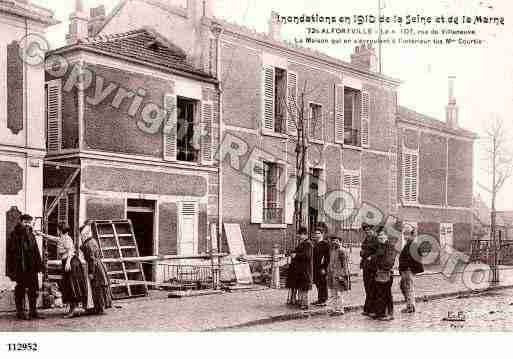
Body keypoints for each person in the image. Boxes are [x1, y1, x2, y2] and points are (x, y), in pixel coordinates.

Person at [6, 214, 45, 320]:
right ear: (21, 222)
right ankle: (20, 312)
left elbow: (36, 250)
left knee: (33, 290)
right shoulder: (14, 235)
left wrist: (39, 266)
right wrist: (12, 270)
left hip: (31, 267)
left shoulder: (31, 234)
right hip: (21, 268)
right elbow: (11, 253)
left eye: (29, 222)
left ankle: (33, 311)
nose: (27, 225)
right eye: (25, 222)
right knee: (20, 290)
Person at [80, 221, 112, 315]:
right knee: (100, 287)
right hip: (99, 266)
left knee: (97, 288)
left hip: (95, 268)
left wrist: (91, 272)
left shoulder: (87, 244)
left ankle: (99, 308)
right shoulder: (93, 241)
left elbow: (91, 259)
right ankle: (99, 307)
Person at [56, 223, 87, 318]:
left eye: (58, 229)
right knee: (69, 285)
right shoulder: (63, 237)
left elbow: (70, 251)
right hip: (69, 262)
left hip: (71, 263)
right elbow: (55, 239)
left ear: (60, 230)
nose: (57, 231)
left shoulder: (66, 238)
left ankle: (73, 310)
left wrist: (68, 262)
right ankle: (72, 309)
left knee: (71, 285)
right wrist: (43, 235)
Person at [372, 226, 399, 321]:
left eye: (382, 235)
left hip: (386, 273)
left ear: (386, 236)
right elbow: (374, 258)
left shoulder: (390, 246)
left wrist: (380, 265)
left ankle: (389, 314)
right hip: (378, 273)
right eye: (379, 235)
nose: (380, 237)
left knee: (387, 293)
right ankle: (380, 312)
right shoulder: (379, 246)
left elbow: (389, 261)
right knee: (379, 293)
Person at [399, 225, 424, 313]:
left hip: (407, 270)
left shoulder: (413, 244)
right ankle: (410, 305)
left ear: (412, 235)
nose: (405, 236)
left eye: (407, 234)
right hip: (405, 270)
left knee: (407, 287)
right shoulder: (408, 244)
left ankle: (410, 307)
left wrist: (409, 267)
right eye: (404, 234)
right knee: (404, 286)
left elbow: (417, 257)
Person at [327, 236, 351, 316]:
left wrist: (343, 275)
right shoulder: (332, 250)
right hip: (332, 274)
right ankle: (334, 309)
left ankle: (340, 309)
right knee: (333, 293)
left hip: (338, 275)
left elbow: (345, 265)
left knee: (339, 293)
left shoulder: (342, 251)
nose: (335, 242)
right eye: (334, 241)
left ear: (340, 242)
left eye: (337, 241)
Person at [360, 223, 378, 317]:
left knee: (372, 288)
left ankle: (373, 309)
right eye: (366, 230)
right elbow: (362, 250)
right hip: (365, 266)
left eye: (369, 230)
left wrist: (371, 257)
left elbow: (379, 252)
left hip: (373, 267)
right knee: (367, 288)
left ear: (372, 230)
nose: (367, 232)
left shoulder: (376, 239)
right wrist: (363, 253)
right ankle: (368, 308)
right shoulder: (366, 239)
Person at [293, 227, 313, 310]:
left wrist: (296, 255)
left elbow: (307, 256)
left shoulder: (308, 244)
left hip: (305, 269)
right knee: (301, 286)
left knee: (304, 287)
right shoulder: (302, 243)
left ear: (305, 235)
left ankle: (305, 304)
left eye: (300, 235)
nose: (299, 236)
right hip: (301, 269)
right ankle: (301, 302)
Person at [312, 224, 330, 306]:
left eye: (318, 233)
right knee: (317, 283)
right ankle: (320, 299)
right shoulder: (315, 244)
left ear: (322, 234)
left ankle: (324, 299)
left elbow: (327, 257)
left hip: (322, 267)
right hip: (315, 266)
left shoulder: (325, 244)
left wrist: (324, 267)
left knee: (323, 283)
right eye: (315, 233)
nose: (316, 235)